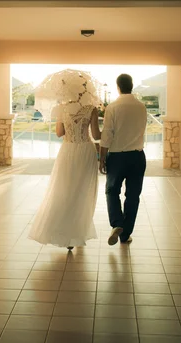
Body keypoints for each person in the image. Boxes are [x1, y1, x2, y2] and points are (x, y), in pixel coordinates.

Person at [28, 100, 102, 249]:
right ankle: (77, 232)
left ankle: (64, 230)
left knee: (64, 189)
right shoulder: (91, 108)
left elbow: (59, 133)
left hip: (68, 150)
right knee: (82, 191)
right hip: (86, 150)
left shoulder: (62, 108)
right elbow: (96, 134)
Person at [99, 74, 147, 246]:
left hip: (117, 156)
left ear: (118, 87)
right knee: (133, 196)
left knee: (112, 191)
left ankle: (117, 223)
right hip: (137, 156)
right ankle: (125, 235)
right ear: (132, 86)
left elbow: (107, 133)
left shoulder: (113, 107)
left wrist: (102, 157)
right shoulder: (141, 107)